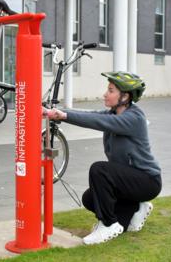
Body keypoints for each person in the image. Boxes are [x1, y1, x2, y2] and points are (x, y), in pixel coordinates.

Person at [43, 71, 162, 245]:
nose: (105, 94)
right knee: (90, 199)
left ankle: (109, 225)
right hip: (129, 182)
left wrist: (63, 115)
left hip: (147, 180)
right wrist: (56, 113)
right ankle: (137, 207)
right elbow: (92, 115)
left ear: (125, 96)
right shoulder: (114, 113)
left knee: (100, 170)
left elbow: (97, 122)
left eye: (111, 90)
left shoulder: (134, 118)